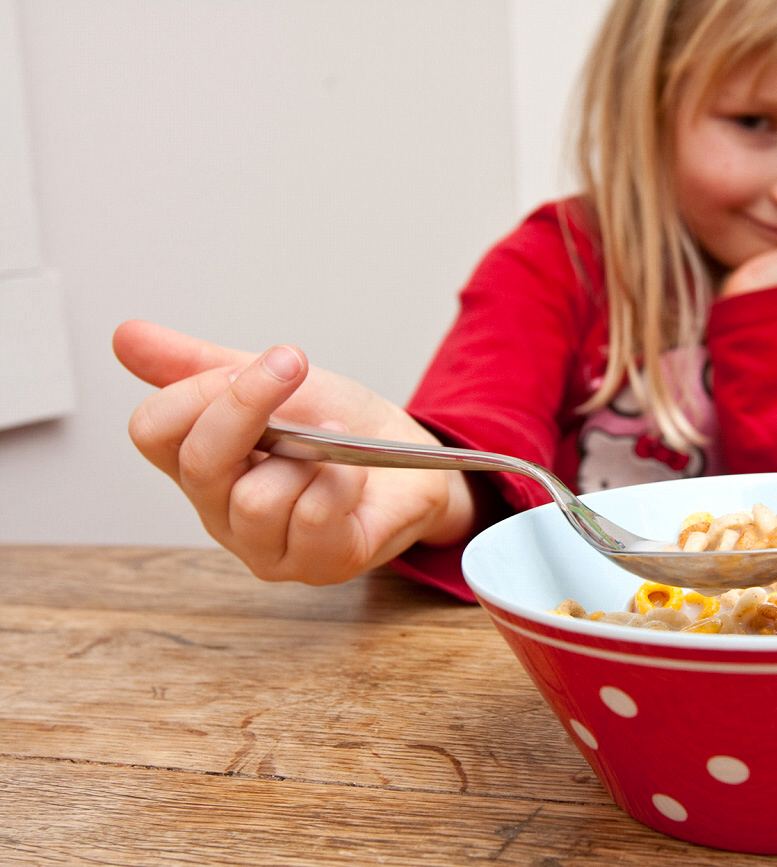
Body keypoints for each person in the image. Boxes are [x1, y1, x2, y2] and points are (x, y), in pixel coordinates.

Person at [113, 0, 777, 603]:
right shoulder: (559, 263)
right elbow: (482, 438)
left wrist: (759, 326)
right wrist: (434, 488)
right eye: (756, 123)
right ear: (651, 108)